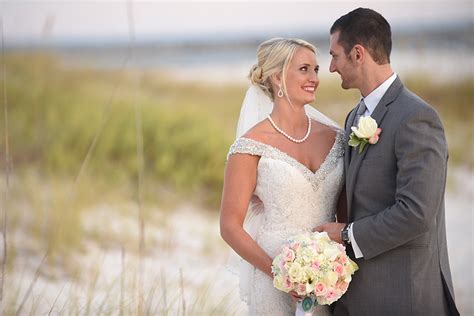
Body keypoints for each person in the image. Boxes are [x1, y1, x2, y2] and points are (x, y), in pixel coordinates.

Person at [314, 8, 460, 315]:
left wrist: (345, 235)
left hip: (404, 293)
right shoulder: (355, 115)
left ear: (357, 54)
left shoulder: (416, 117)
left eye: (334, 55)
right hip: (358, 293)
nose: (330, 67)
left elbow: (416, 213)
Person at [220, 38, 345, 315]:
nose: (314, 78)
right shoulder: (250, 146)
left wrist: (333, 268)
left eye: (316, 69)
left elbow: (346, 215)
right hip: (272, 278)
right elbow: (229, 226)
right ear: (277, 77)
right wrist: (280, 273)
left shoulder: (337, 138)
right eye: (304, 69)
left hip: (328, 279)